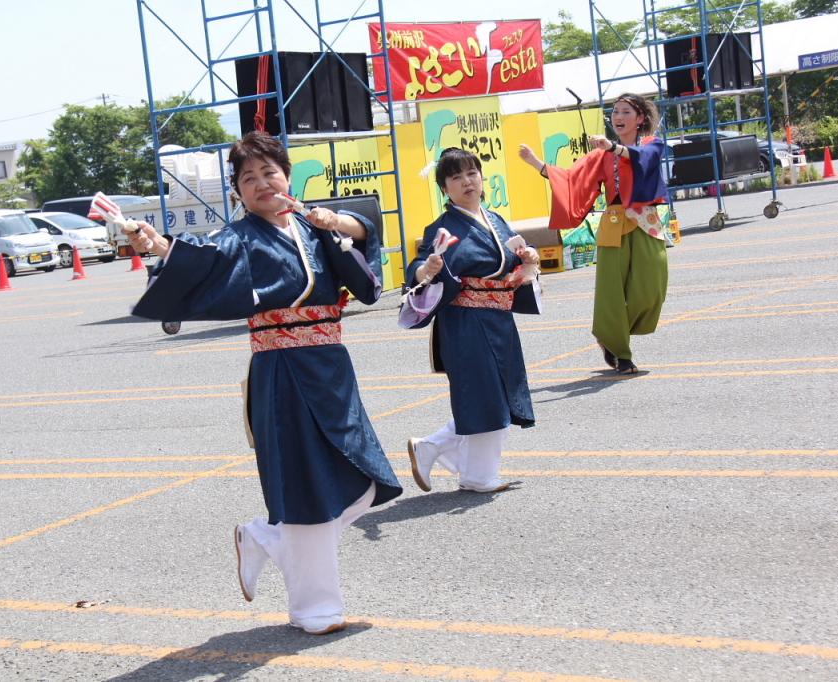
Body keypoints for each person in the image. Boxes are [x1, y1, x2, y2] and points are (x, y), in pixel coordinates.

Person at [127, 131, 402, 635]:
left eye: (268, 173)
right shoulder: (241, 237)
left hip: (331, 366)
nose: (260, 184)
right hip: (282, 371)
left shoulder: (313, 226)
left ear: (288, 176)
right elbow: (205, 260)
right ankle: (314, 608)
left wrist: (332, 220)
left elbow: (364, 243)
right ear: (237, 192)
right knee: (306, 487)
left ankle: (267, 539)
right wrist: (162, 247)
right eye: (247, 179)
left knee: (361, 480)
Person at [399, 147, 541, 494]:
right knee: (484, 398)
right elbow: (418, 266)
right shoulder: (443, 227)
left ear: (482, 177)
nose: (467, 182)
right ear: (444, 188)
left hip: (498, 321)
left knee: (496, 397)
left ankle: (447, 457)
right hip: (466, 322)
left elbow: (513, 267)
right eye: (456, 177)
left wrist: (530, 263)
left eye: (471, 173)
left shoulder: (495, 219)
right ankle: (469, 470)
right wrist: (427, 269)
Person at [519, 92, 668, 374]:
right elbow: (572, 179)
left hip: (646, 222)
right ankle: (618, 349)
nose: (618, 117)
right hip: (613, 224)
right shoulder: (601, 155)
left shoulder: (652, 144)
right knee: (611, 292)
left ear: (640, 118)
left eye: (626, 112)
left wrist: (613, 148)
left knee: (652, 289)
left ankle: (615, 334)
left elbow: (645, 158)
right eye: (615, 112)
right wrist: (536, 163)